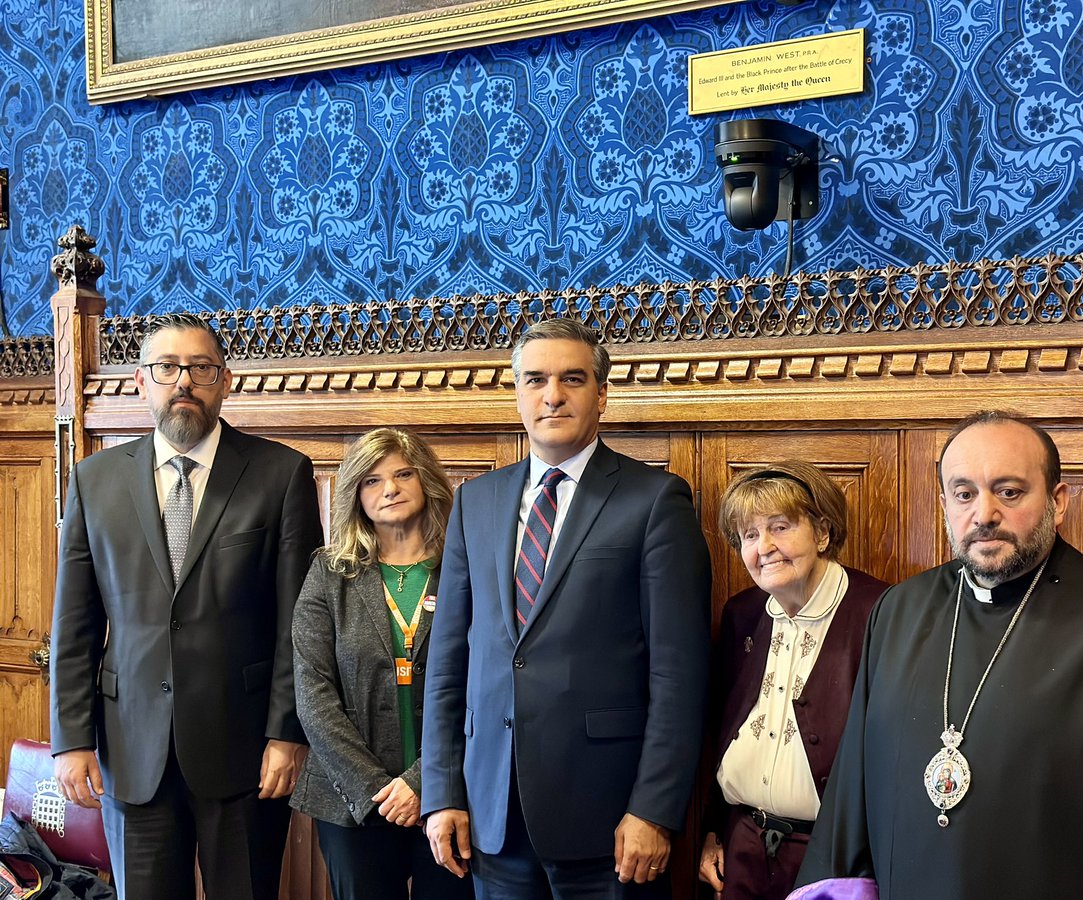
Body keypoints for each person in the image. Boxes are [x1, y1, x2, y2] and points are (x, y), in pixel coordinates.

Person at [794, 410, 1083, 900]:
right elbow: (850, 802)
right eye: (964, 494)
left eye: (1009, 492)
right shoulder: (897, 613)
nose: (983, 514)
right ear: (944, 502)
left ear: (1058, 500)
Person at [420, 317, 712, 897]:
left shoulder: (654, 500)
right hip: (492, 815)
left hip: (609, 825)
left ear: (601, 395)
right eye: (535, 380)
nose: (552, 395)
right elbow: (448, 660)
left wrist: (654, 810)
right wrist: (443, 792)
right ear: (518, 393)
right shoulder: (475, 501)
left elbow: (679, 674)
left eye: (571, 379)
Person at [49, 312, 324, 900]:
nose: (183, 382)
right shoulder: (93, 481)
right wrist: (70, 739)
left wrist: (286, 731)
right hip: (131, 747)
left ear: (225, 380)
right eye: (166, 367)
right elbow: (74, 623)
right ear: (142, 382)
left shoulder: (280, 474)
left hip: (246, 750)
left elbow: (300, 626)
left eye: (200, 368)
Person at [290, 428, 474, 900]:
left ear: (427, 481)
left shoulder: (467, 566)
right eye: (372, 481)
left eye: (402, 474)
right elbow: (314, 695)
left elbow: (484, 686)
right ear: (356, 495)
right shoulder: (330, 573)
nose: (389, 488)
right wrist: (374, 788)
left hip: (451, 794)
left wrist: (420, 782)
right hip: (353, 803)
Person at [699, 462, 888, 900]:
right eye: (749, 535)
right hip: (742, 847)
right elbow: (722, 729)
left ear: (822, 532)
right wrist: (713, 829)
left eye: (780, 527)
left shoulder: (880, 612)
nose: (764, 547)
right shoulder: (741, 614)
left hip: (833, 860)